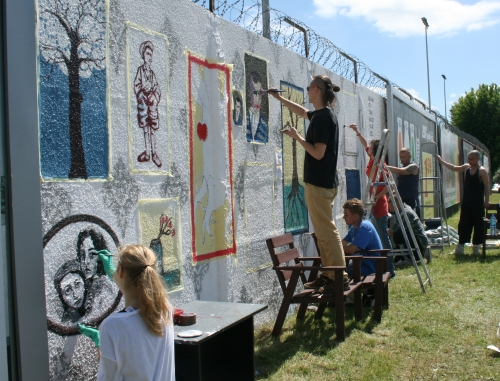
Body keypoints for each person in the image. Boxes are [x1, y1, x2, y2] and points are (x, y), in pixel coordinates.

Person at [269, 75, 347, 294]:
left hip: (319, 184)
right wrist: (280, 99)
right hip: (323, 184)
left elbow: (319, 153)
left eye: (308, 88)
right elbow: (303, 113)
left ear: (315, 89)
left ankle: (339, 278)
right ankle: (330, 275)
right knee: (323, 232)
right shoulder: (323, 115)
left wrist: (297, 137)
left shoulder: (323, 118)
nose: (307, 92)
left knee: (327, 232)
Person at [97, 244, 175, 380]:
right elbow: (141, 294)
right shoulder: (165, 310)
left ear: (121, 272)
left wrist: (101, 348)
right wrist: (115, 275)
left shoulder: (112, 326)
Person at [348, 124, 395, 278]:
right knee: (377, 235)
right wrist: (357, 131)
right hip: (372, 201)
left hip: (379, 204)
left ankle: (390, 269)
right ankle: (377, 266)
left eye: (371, 148)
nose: (368, 148)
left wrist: (376, 196)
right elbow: (364, 143)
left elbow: (388, 187)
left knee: (383, 237)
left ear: (376, 151)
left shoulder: (382, 166)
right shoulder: (372, 159)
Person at [437, 150, 490, 255]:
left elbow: (487, 186)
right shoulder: (466, 167)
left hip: (477, 204)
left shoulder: (482, 171)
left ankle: (476, 248)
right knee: (464, 224)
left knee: (478, 225)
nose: (469, 161)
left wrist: (487, 201)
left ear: (477, 159)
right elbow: (454, 167)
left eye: (471, 159)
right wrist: (441, 161)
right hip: (466, 203)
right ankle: (460, 248)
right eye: (468, 159)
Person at [75, 229, 117, 320]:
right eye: (82, 255)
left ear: (100, 257)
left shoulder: (103, 287)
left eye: (92, 254)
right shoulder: (87, 287)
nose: (86, 262)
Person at [134, 40, 162, 168]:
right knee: (146, 129)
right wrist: (142, 96)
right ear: (143, 56)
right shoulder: (140, 70)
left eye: (151, 54)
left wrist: (154, 97)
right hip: (144, 106)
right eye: (147, 54)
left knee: (153, 130)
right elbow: (136, 86)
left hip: (152, 106)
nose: (149, 57)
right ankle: (147, 153)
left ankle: (155, 153)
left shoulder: (152, 74)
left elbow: (157, 88)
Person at [341, 199, 382, 278]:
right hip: (361, 264)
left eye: (346, 215)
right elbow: (342, 243)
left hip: (371, 268)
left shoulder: (364, 227)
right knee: (338, 272)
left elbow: (351, 249)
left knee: (338, 275)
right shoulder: (354, 228)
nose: (343, 217)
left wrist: (335, 249)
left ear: (355, 216)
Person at [387, 193, 431, 265]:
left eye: (391, 208)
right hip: (420, 241)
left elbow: (392, 231)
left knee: (397, 235)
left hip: (419, 244)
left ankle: (409, 258)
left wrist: (380, 233)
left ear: (397, 206)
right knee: (400, 233)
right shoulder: (406, 207)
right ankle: (400, 257)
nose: (390, 210)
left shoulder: (405, 213)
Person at [386, 147, 420, 217]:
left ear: (410, 157)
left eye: (404, 157)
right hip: (401, 200)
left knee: (411, 222)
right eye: (400, 157)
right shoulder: (402, 168)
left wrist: (384, 166)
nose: (402, 159)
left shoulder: (414, 167)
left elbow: (400, 171)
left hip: (411, 200)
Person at [246, 72, 268, 143]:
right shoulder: (244, 119)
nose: (258, 97)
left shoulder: (264, 123)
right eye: (255, 93)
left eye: (260, 93)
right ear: (249, 93)